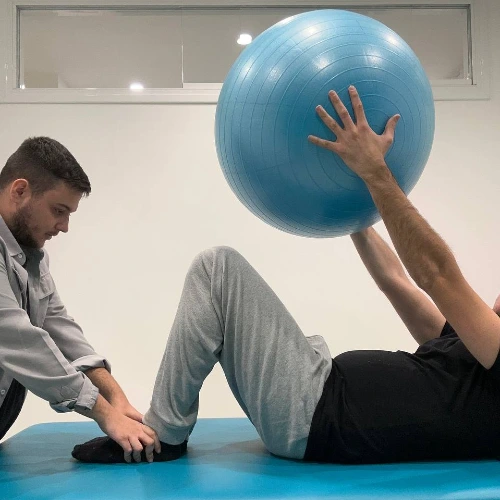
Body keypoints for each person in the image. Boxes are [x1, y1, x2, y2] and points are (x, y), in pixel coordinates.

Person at [72, 87, 500, 464]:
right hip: (318, 390)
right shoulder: (472, 349)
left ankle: (161, 437)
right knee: (220, 272)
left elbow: (436, 273)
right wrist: (356, 205)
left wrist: (376, 171)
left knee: (216, 268)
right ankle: (164, 431)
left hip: (316, 413)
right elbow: (398, 281)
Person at [0, 137, 161, 463]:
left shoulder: (30, 254)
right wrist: (103, 414)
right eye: (58, 211)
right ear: (19, 191)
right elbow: (18, 338)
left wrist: (116, 398)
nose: (65, 226)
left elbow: (60, 328)